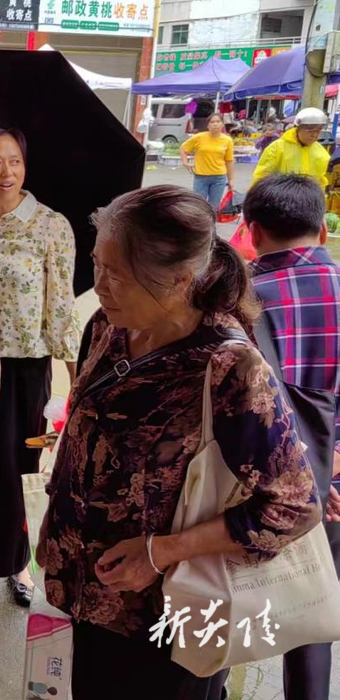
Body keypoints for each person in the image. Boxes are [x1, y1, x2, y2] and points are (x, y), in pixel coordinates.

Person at [40, 185, 320, 700]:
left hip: (170, 614)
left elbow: (295, 505)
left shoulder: (227, 367)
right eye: (96, 264)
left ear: (180, 280)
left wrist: (162, 551)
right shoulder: (108, 326)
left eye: (115, 274)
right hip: (92, 595)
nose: (98, 284)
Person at [0, 127, 79, 607]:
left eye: (14, 161)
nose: (5, 172)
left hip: (26, 368)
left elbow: (62, 305)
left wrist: (75, 375)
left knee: (18, 468)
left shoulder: (51, 225)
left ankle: (17, 564)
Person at [244, 174, 340, 700]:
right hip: (332, 493)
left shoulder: (237, 300)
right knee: (313, 603)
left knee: (222, 602)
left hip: (258, 489)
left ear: (251, 231)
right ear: (323, 229)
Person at [252, 107, 330, 190]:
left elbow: (320, 183)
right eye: (310, 131)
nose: (314, 135)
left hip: (308, 200)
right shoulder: (277, 148)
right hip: (280, 199)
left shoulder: (322, 153)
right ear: (298, 129)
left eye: (317, 131)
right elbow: (261, 177)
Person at [180, 113, 235, 214]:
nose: (215, 124)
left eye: (218, 122)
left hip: (219, 178)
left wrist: (231, 180)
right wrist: (185, 162)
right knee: (199, 205)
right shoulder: (199, 137)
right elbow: (183, 148)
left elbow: (229, 161)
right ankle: (199, 226)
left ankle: (210, 226)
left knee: (214, 206)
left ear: (223, 124)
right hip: (201, 177)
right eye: (212, 122)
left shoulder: (227, 140)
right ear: (208, 125)